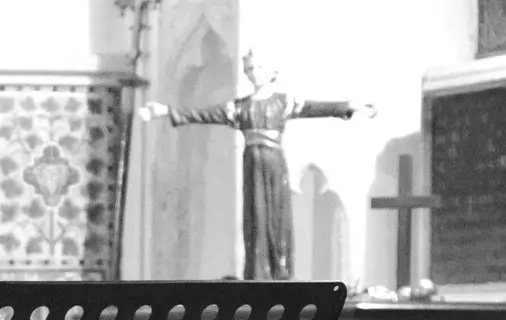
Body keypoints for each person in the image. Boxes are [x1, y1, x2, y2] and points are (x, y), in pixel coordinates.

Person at [140, 48, 374, 280]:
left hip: (274, 164)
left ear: (271, 71)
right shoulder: (239, 107)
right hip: (252, 163)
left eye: (259, 68)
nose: (254, 73)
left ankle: (279, 271)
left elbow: (313, 108)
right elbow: (204, 114)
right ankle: (257, 272)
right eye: (250, 69)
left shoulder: (283, 102)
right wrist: (166, 111)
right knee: (256, 215)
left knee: (277, 215)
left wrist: (346, 106)